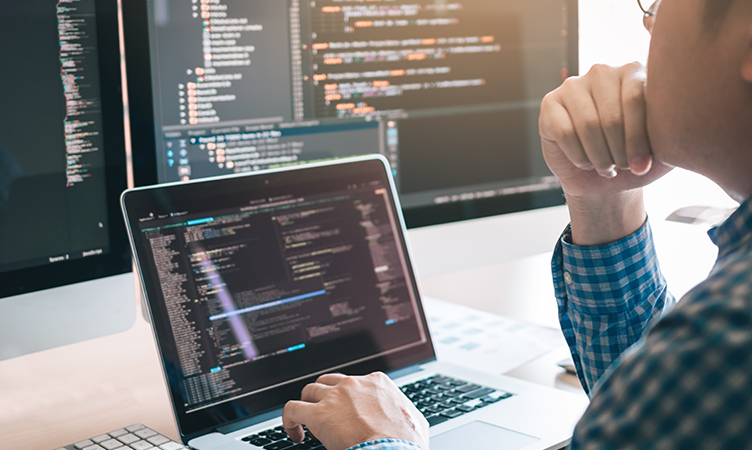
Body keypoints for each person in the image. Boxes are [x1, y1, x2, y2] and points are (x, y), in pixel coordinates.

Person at [280, 0, 752, 448]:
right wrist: (606, 199)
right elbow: (654, 416)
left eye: (665, 4)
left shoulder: (729, 327)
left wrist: (381, 443)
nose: (649, 25)